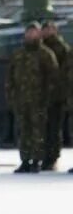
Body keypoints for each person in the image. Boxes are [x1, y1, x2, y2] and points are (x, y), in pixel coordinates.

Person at [6, 22, 59, 173]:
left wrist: (46, 98)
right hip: (21, 101)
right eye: (29, 32)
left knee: (38, 131)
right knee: (23, 131)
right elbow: (10, 78)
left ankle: (36, 160)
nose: (31, 35)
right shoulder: (18, 55)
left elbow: (53, 78)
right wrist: (11, 97)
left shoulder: (46, 54)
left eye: (34, 32)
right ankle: (25, 160)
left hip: (39, 102)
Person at [39, 19, 69, 170]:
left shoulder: (61, 48)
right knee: (43, 128)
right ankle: (44, 156)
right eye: (44, 29)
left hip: (57, 96)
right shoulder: (40, 47)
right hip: (41, 95)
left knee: (54, 128)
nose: (46, 32)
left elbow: (64, 72)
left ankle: (52, 157)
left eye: (49, 29)